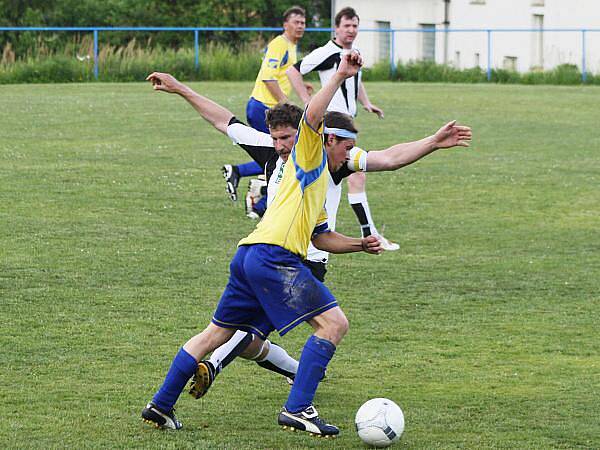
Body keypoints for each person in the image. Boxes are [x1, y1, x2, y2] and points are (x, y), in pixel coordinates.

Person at [142, 63, 472, 436]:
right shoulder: (310, 149)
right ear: (326, 139)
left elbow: (322, 235)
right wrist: (340, 75)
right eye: (346, 146)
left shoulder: (314, 180)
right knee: (334, 324)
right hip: (276, 258)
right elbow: (310, 115)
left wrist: (358, 244)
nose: (351, 155)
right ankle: (298, 409)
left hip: (249, 255)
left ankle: (161, 404)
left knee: (215, 335)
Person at [287, 7, 399, 250]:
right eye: (346, 26)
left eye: (355, 26)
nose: (351, 30)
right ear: (336, 28)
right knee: (355, 174)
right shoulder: (328, 52)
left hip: (347, 125)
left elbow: (355, 80)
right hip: (332, 127)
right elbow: (293, 71)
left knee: (345, 177)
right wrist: (308, 104)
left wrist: (366, 103)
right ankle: (367, 234)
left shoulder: (353, 53)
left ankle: (346, 232)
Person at [222, 5, 311, 215]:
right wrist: (286, 103)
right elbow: (268, 78)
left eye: (303, 23)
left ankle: (240, 176)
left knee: (280, 154)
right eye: (296, 22)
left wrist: (301, 85)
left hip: (268, 108)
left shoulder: (290, 46)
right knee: (280, 155)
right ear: (285, 25)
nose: (300, 26)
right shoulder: (279, 45)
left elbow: (281, 75)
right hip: (262, 107)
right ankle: (258, 202)